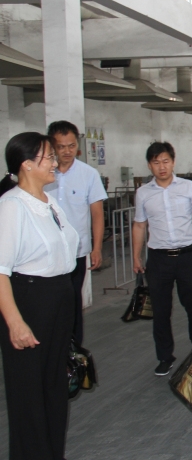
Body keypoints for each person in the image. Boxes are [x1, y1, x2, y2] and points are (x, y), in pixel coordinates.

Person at [0, 132, 79, 460]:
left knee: (54, 387)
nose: (55, 162)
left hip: (58, 298)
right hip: (29, 302)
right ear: (27, 165)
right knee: (29, 392)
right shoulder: (12, 206)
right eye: (49, 157)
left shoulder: (50, 202)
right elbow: (0, 270)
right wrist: (15, 323)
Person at [132, 142, 192, 376]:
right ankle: (165, 356)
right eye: (156, 162)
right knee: (161, 310)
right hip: (159, 259)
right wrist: (136, 256)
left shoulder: (188, 187)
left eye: (165, 161)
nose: (161, 166)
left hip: (187, 256)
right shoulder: (143, 193)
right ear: (149, 165)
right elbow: (139, 225)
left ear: (173, 162)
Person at [45, 120, 107, 345]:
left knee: (72, 302)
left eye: (71, 146)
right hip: (46, 253)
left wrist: (96, 248)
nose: (67, 151)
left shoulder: (88, 174)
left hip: (76, 252)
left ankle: (74, 352)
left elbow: (97, 214)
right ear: (52, 146)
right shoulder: (42, 174)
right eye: (61, 147)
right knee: (49, 304)